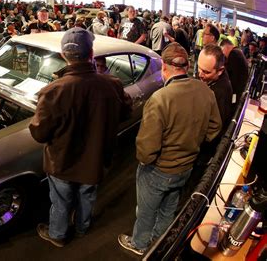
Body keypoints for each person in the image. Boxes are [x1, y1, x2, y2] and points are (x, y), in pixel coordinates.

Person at [29, 27, 132, 247]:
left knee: (61, 200)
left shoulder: (52, 91)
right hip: (96, 158)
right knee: (88, 196)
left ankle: (58, 234)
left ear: (64, 55)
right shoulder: (112, 84)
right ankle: (82, 228)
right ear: (91, 54)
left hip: (61, 161)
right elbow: (125, 113)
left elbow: (39, 133)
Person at [118, 42, 221, 256]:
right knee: (168, 210)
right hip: (186, 169)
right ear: (186, 65)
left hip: (159, 170)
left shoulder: (160, 99)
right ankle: (159, 243)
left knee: (146, 212)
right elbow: (214, 129)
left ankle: (139, 245)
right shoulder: (205, 91)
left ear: (164, 68)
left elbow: (146, 150)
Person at [198, 44, 233, 130]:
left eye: (206, 72)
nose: (200, 74)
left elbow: (214, 128)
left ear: (220, 71)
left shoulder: (220, 93)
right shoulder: (212, 79)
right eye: (199, 68)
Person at [220, 39, 248, 107]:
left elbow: (233, 77)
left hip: (236, 90)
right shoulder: (238, 52)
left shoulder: (234, 54)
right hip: (239, 88)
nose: (223, 54)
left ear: (227, 46)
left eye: (223, 50)